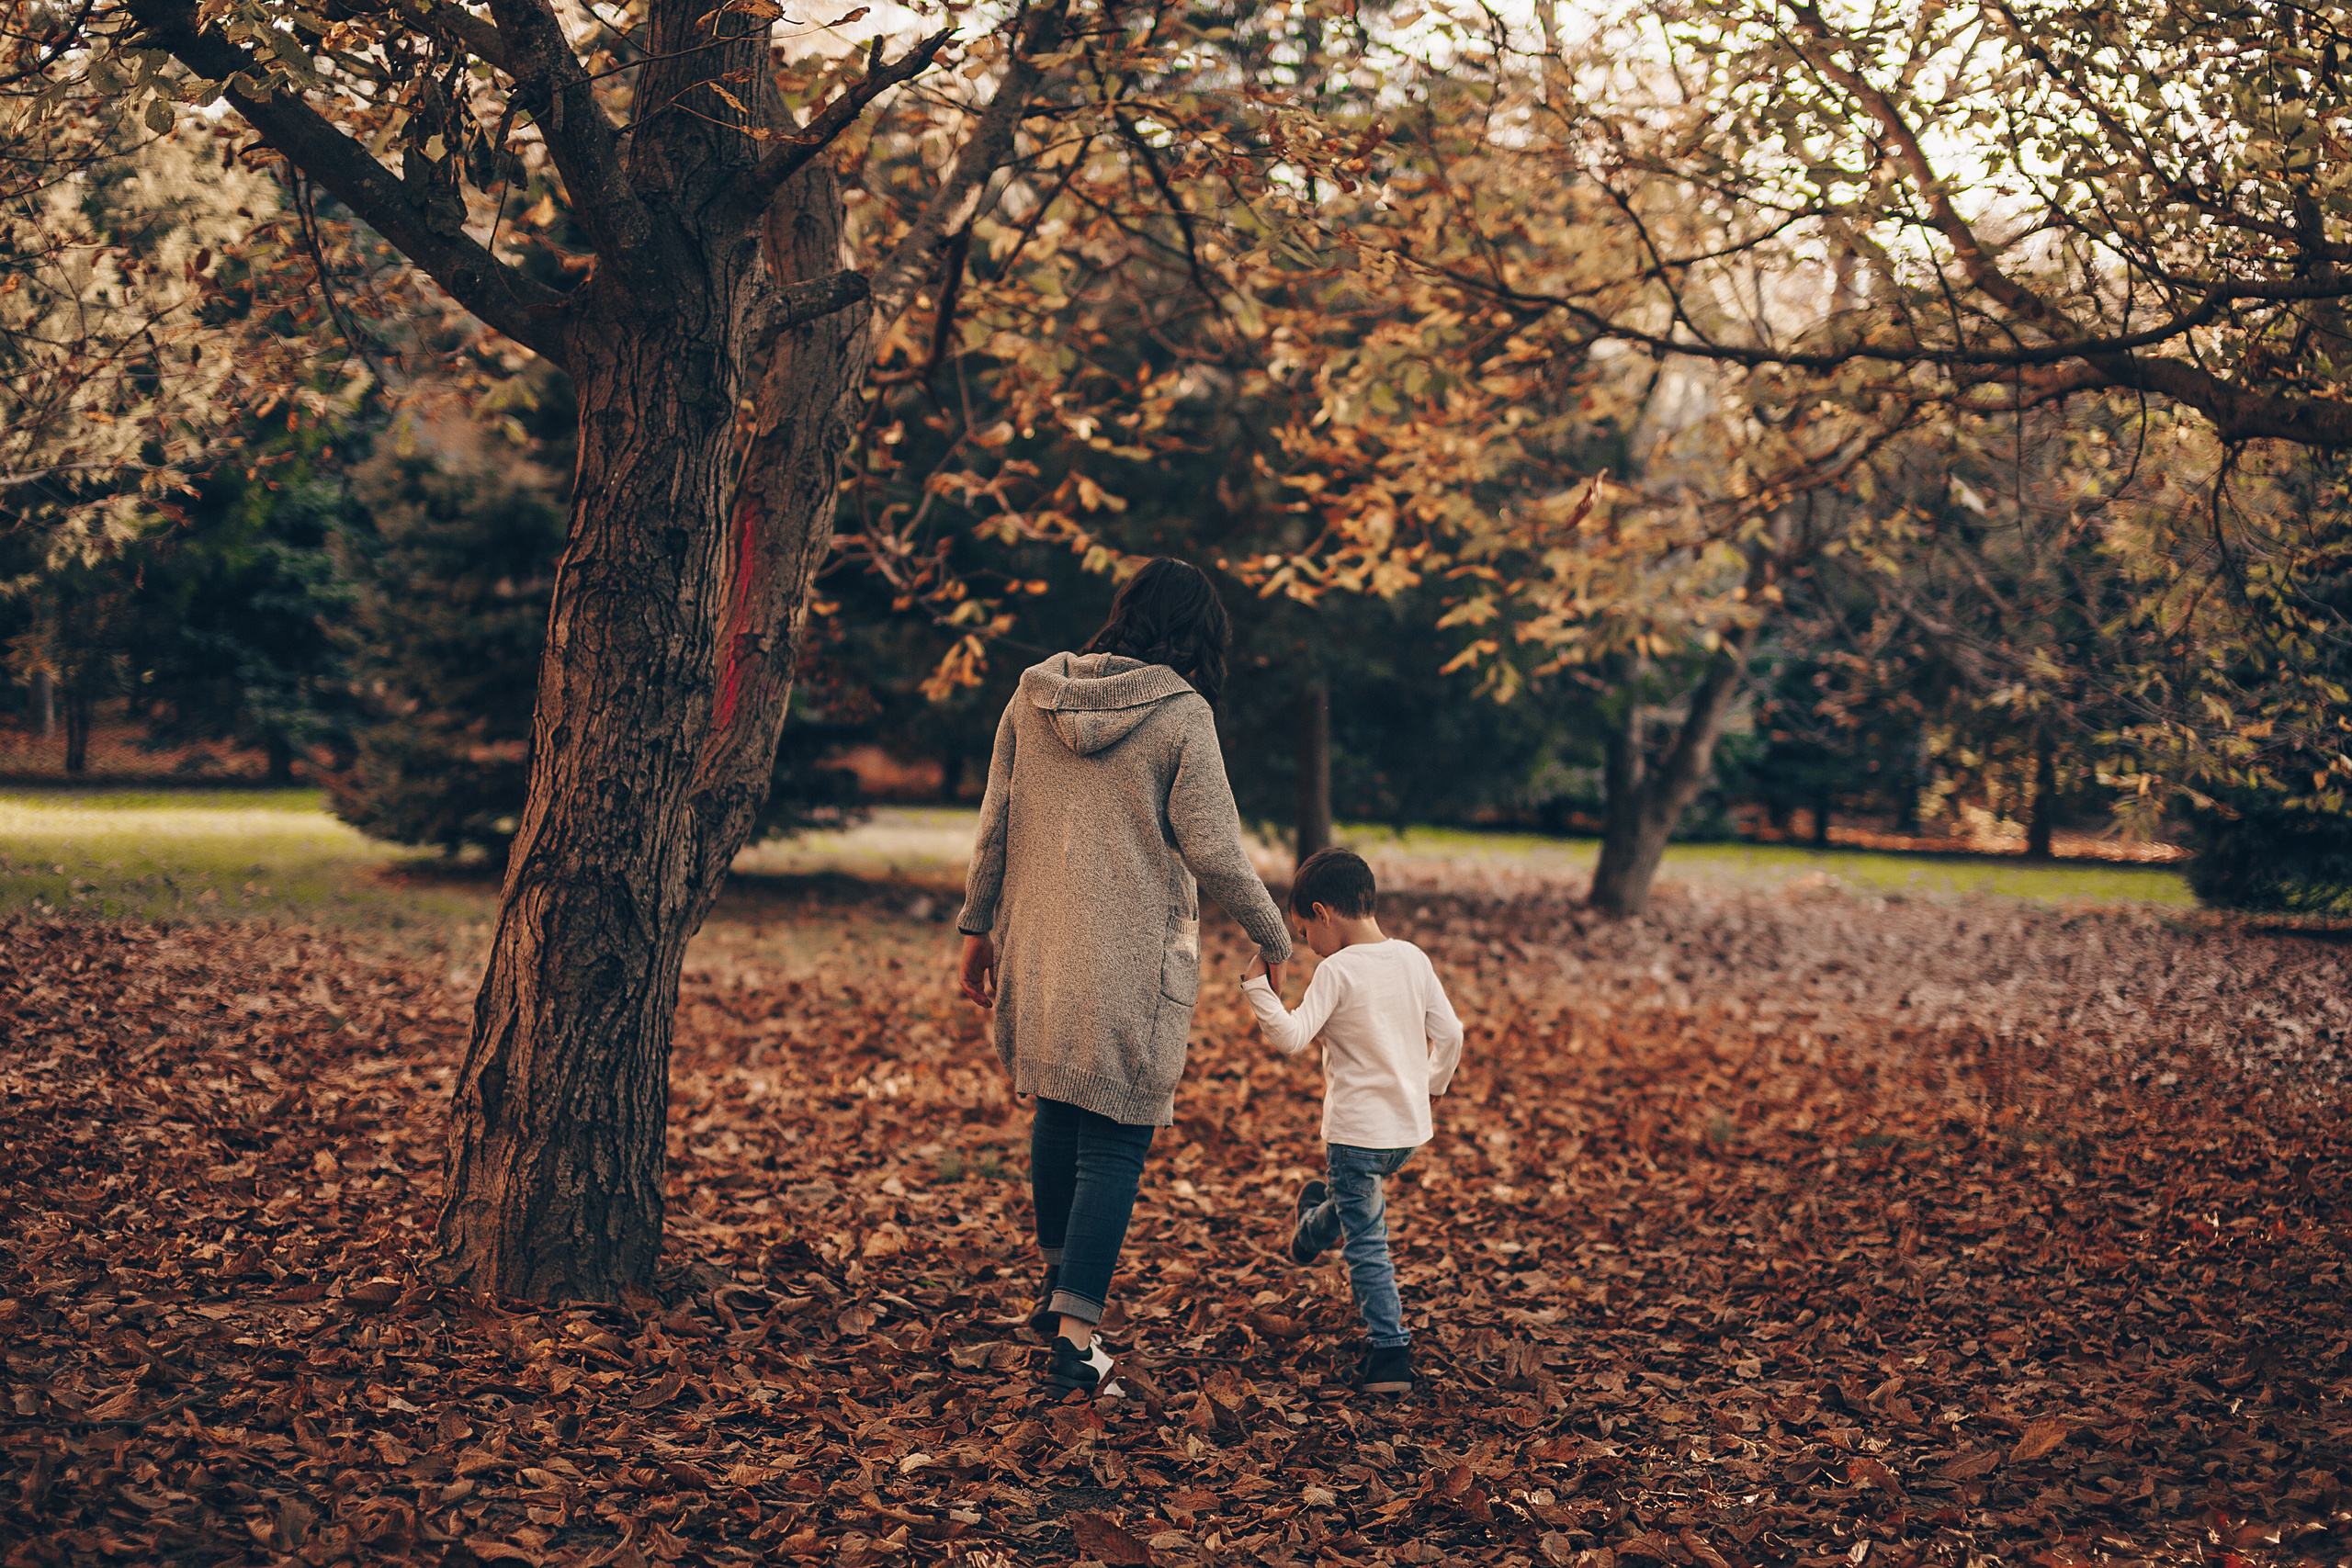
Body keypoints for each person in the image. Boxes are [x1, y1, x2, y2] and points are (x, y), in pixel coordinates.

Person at [955, 558, 1293, 1402]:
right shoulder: (1183, 714)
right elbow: (1213, 846)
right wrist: (1274, 933)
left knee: (1060, 1109)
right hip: (1131, 961)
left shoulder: (1033, 695)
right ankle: (1075, 1343)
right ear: (1197, 635)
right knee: (1115, 1137)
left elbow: (995, 823)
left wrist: (975, 926)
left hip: (1038, 948)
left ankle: (1057, 1287)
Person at [1241, 846, 1463, 1394]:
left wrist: (1256, 989)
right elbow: (1452, 1034)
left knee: (1366, 1239)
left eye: (1301, 930)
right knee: (1354, 1203)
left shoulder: (1337, 970)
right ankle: (1310, 1232)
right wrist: (1433, 1086)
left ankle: (1389, 1353)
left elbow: (1292, 1037)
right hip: (1407, 1134)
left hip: (1356, 1135)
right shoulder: (1413, 957)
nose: (1305, 944)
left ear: (1323, 913)